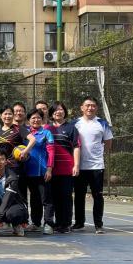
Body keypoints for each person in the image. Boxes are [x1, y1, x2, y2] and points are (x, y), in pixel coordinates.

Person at [73, 96, 113, 234]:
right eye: (87, 105)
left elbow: (108, 142)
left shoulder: (102, 123)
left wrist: (98, 155)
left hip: (97, 166)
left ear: (96, 108)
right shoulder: (75, 123)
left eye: (93, 105)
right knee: (79, 196)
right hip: (79, 166)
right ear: (82, 108)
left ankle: (98, 224)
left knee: (98, 196)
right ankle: (79, 223)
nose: (90, 108)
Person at [18, 109, 55, 234]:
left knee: (46, 199)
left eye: (38, 117)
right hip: (28, 172)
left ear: (42, 119)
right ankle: (35, 223)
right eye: (33, 118)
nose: (36, 120)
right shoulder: (25, 132)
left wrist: (49, 169)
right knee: (34, 199)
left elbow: (51, 152)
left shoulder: (46, 133)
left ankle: (48, 224)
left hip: (42, 171)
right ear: (28, 120)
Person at [47, 101, 80, 234]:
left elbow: (76, 147)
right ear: (51, 113)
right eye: (55, 110)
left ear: (65, 112)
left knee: (66, 197)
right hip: (51, 170)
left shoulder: (71, 128)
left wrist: (76, 165)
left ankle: (66, 224)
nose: (58, 112)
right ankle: (58, 223)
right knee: (54, 198)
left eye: (61, 109)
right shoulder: (47, 129)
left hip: (66, 169)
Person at [0, 149, 28, 236]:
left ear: (6, 162)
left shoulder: (12, 177)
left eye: (2, 159)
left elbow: (7, 200)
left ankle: (17, 224)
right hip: (1, 204)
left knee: (13, 214)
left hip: (14, 204)